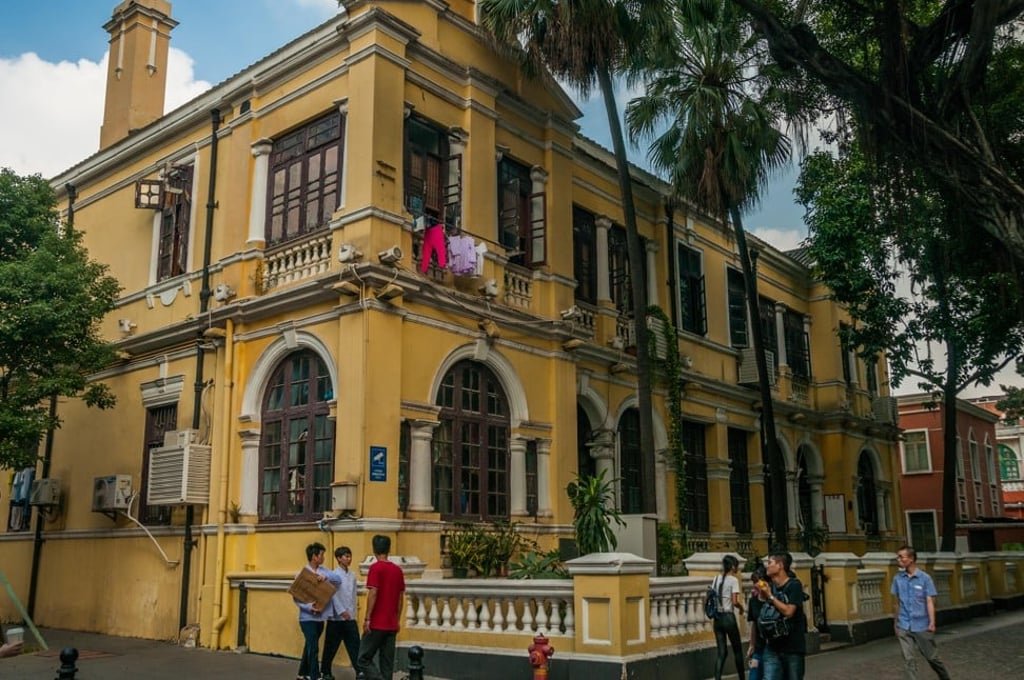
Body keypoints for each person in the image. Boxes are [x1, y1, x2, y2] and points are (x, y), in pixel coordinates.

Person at [891, 545, 952, 680]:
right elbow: (897, 603)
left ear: (911, 559)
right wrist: (896, 623)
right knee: (909, 659)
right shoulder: (897, 579)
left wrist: (932, 622)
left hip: (922, 625)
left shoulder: (925, 578)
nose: (898, 559)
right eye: (898, 556)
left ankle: (945, 678)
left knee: (932, 658)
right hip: (904, 625)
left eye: (901, 557)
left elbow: (930, 601)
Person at [356, 535, 406, 680]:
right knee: (387, 663)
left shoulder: (375, 568)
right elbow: (400, 597)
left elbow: (373, 593)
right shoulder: (397, 570)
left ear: (374, 549)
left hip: (377, 622)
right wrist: (397, 619)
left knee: (363, 658)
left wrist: (367, 618)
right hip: (391, 623)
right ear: (389, 549)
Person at [294, 542, 343, 680]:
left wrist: (326, 577)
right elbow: (296, 597)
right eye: (321, 554)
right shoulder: (301, 574)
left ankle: (302, 673)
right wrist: (309, 607)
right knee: (313, 646)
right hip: (307, 618)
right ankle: (315, 676)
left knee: (310, 645)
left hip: (321, 617)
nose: (323, 557)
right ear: (314, 556)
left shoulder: (324, 571)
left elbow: (338, 580)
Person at [758, 551, 806, 680]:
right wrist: (762, 595)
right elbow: (760, 614)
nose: (767, 566)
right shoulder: (770, 587)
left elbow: (789, 612)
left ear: (780, 565)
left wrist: (770, 597)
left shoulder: (794, 585)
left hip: (792, 648)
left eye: (770, 563)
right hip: (772, 646)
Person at [321, 546, 360, 680]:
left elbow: (353, 595)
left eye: (350, 556)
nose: (349, 559)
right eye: (346, 556)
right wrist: (341, 611)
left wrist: (353, 612)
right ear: (338, 559)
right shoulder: (334, 575)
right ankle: (325, 672)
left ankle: (359, 671)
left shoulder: (353, 575)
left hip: (350, 617)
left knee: (355, 645)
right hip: (336, 618)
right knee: (331, 647)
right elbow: (333, 595)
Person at [712, 555, 745, 680]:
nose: (737, 568)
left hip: (717, 619)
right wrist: (741, 608)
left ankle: (717, 678)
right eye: (736, 565)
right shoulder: (733, 580)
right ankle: (742, 678)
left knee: (721, 652)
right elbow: (735, 601)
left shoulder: (716, 579)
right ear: (732, 566)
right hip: (728, 618)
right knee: (737, 650)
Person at [746, 566, 768, 680]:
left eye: (757, 582)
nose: (755, 585)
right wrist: (751, 645)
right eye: (754, 582)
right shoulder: (753, 601)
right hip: (758, 648)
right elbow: (754, 624)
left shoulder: (774, 601)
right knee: (754, 676)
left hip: (772, 649)